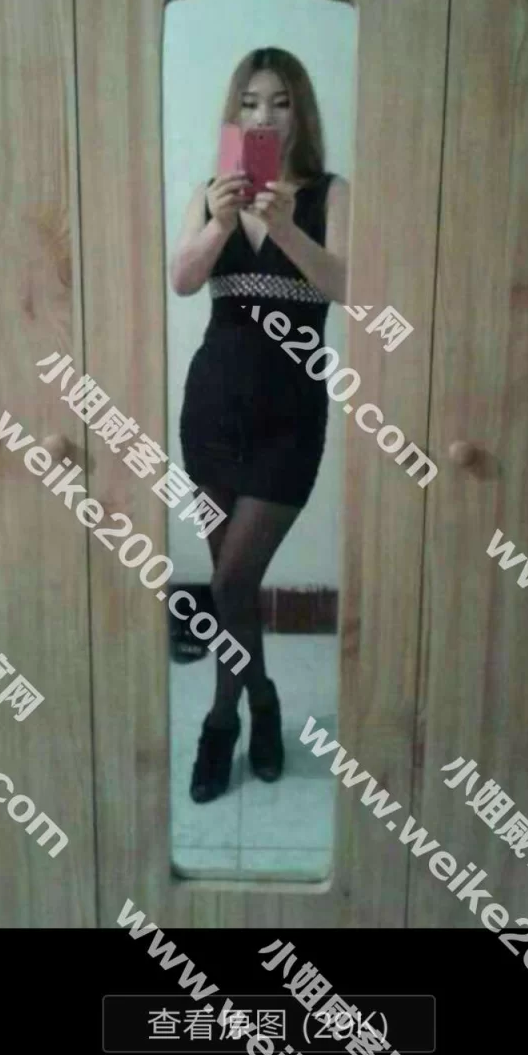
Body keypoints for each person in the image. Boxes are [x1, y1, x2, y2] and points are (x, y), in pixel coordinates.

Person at [169, 47, 350, 802]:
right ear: (234, 112)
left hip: (289, 421)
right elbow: (183, 280)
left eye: (279, 102)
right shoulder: (210, 193)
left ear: (300, 112)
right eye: (249, 102)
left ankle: (227, 718)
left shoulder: (331, 193)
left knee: (230, 579)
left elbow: (349, 287)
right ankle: (257, 706)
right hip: (212, 412)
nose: (263, 116)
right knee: (233, 590)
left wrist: (288, 228)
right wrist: (221, 222)